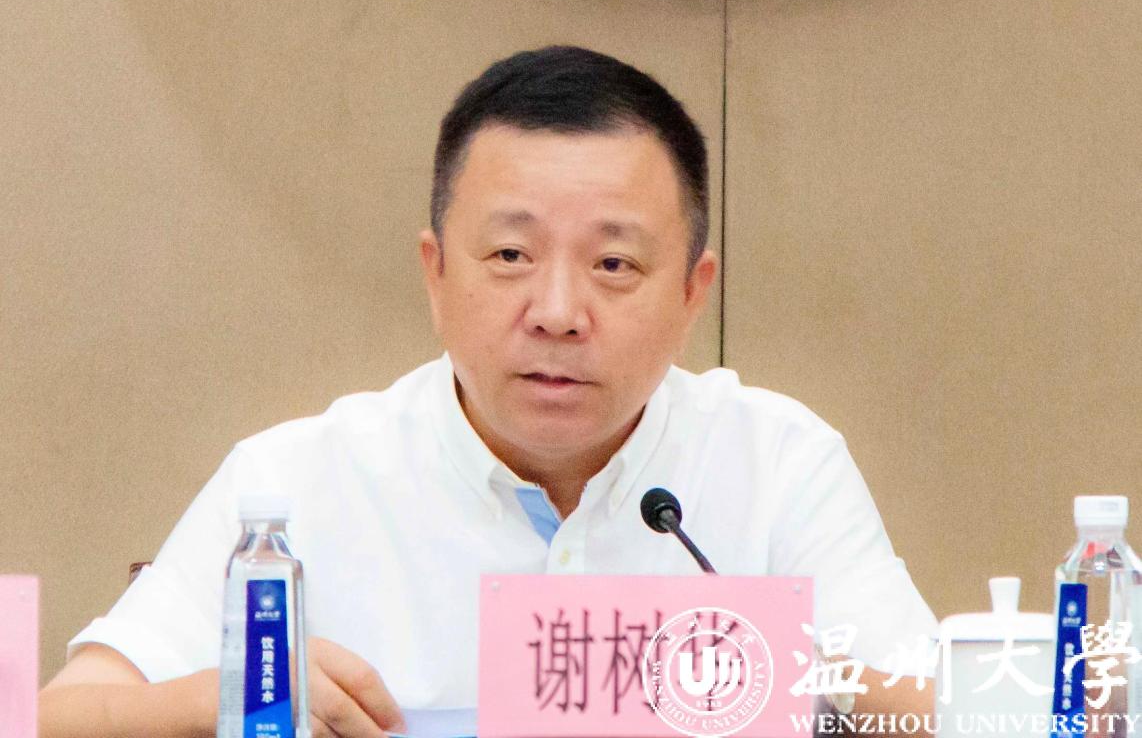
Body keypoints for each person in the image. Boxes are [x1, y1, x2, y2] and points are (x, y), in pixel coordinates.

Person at [40, 46, 938, 738]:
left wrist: (787, 674)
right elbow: (56, 717)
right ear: (435, 274)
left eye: (614, 264)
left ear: (693, 293)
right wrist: (224, 698)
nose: (558, 313)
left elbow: (943, 708)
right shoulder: (294, 483)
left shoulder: (777, 461)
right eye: (510, 255)